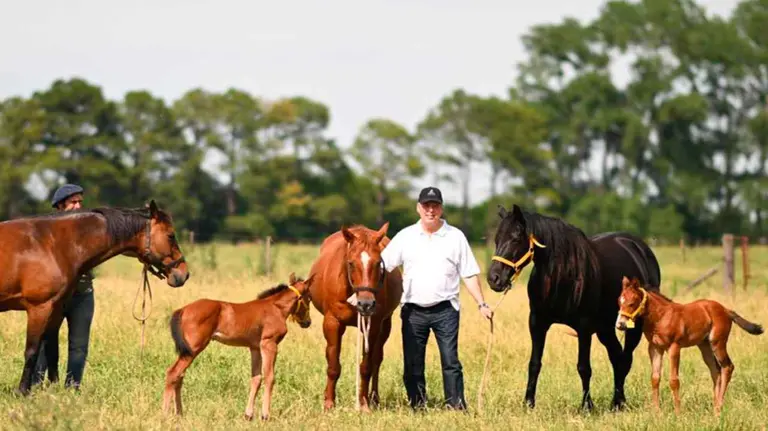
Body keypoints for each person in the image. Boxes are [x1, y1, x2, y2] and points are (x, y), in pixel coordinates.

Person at [380, 186, 493, 411]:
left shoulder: (455, 236)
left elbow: (469, 273)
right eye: (426, 206)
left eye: (435, 206)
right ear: (418, 208)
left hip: (446, 310)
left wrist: (481, 303)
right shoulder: (405, 236)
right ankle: (417, 405)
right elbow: (382, 267)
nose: (430, 210)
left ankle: (456, 405)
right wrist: (360, 293)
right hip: (413, 310)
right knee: (413, 363)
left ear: (441, 208)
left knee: (450, 361)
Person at [33, 183, 96, 391]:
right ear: (60, 205)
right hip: (55, 296)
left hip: (83, 295)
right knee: (44, 342)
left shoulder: (89, 230)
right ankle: (36, 385)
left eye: (80, 202)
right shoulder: (46, 230)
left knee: (79, 346)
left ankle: (72, 388)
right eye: (73, 202)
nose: (78, 206)